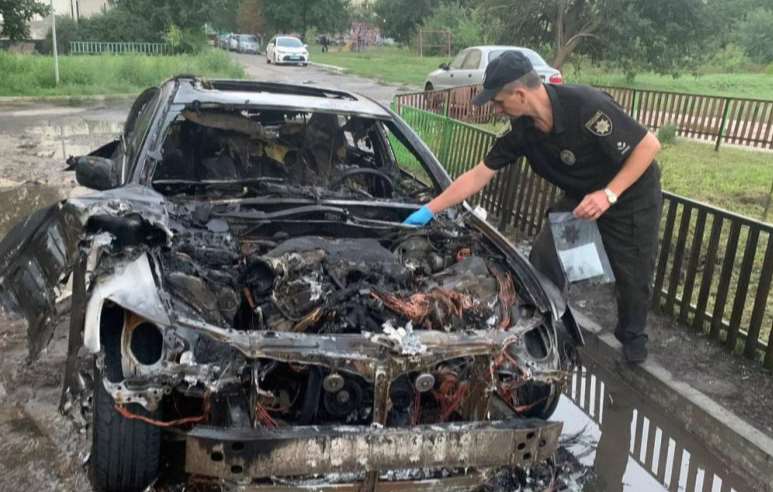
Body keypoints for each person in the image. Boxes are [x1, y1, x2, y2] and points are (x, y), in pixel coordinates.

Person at [403, 51, 662, 364]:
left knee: (632, 273)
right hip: (582, 196)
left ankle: (633, 340)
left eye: (498, 102)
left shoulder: (587, 107)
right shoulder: (523, 131)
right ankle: (547, 323)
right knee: (545, 255)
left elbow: (649, 147)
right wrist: (430, 209)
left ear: (520, 94)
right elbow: (478, 175)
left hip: (630, 194)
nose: (497, 110)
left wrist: (609, 194)